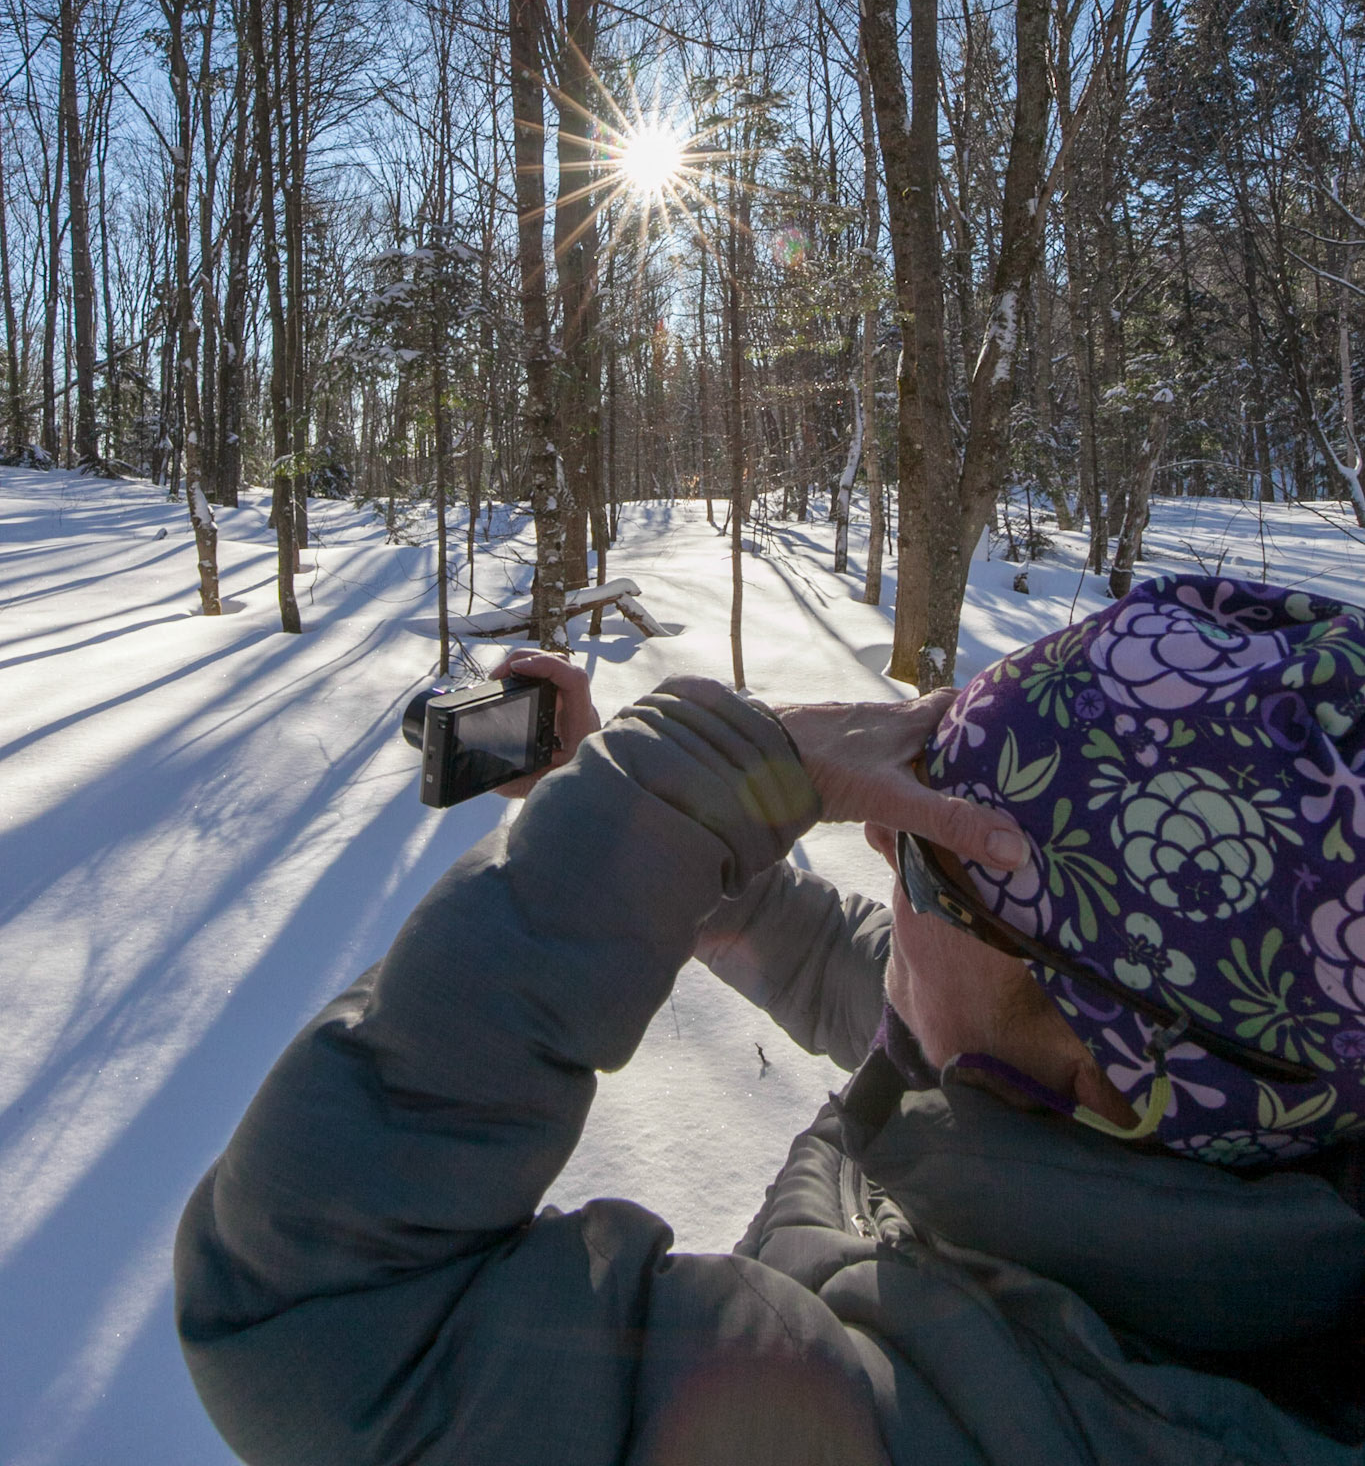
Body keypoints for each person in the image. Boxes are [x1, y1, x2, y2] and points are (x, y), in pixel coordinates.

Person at [176, 576, 1365, 1466]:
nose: (886, 837)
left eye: (943, 860)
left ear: (1106, 1062)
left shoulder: (904, 1419)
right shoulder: (1223, 1111)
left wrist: (663, 794)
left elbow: (315, 1313)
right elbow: (854, 968)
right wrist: (665, 835)